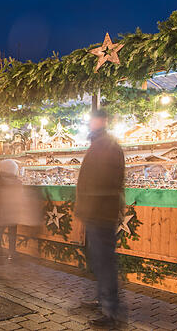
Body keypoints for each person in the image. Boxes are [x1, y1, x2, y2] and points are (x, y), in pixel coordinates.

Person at [74, 109, 125, 327]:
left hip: (101, 212)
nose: (90, 124)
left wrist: (88, 204)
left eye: (93, 120)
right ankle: (101, 299)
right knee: (100, 260)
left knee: (104, 261)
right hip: (97, 211)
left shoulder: (107, 145)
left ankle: (111, 312)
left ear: (101, 121)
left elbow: (104, 182)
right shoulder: (100, 144)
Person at [0, 159, 21, 261]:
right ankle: (12, 253)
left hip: (1, 210)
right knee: (12, 232)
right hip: (12, 210)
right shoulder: (17, 182)